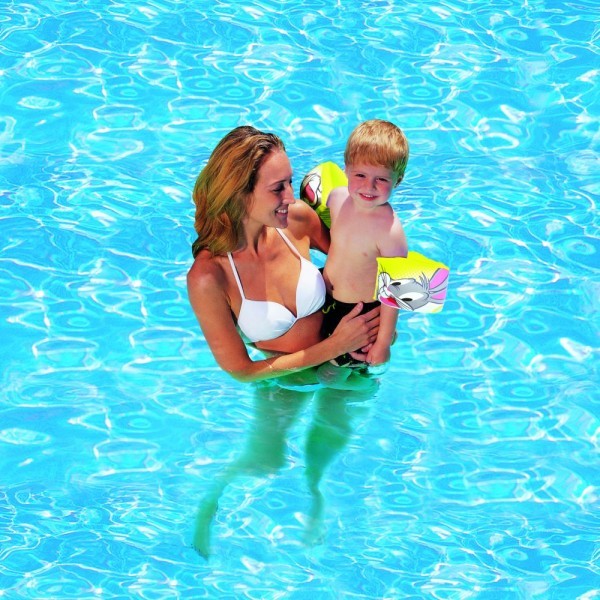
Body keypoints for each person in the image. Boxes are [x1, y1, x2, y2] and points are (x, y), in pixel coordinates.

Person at [186, 125, 381, 384]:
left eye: (290, 182)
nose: (290, 197)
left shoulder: (297, 220)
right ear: (239, 194)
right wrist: (336, 345)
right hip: (287, 387)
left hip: (349, 368)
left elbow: (358, 265)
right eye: (278, 188)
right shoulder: (208, 277)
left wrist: (377, 325)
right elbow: (242, 371)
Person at [320, 119, 409, 368]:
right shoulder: (337, 198)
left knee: (339, 374)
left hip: (360, 313)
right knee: (319, 358)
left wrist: (382, 343)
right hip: (325, 298)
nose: (369, 186)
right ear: (346, 170)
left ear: (397, 181)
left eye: (382, 179)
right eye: (360, 175)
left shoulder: (390, 231)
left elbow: (393, 292)